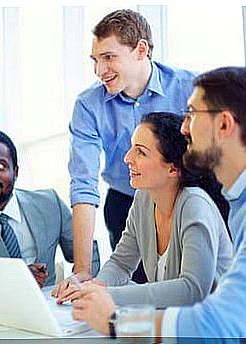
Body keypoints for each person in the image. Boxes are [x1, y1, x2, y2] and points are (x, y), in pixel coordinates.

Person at [72, 66, 246, 338]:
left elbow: (220, 321)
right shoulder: (244, 199)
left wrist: (116, 322)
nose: (184, 127)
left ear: (223, 124)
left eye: (192, 114)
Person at [67, 9, 195, 285]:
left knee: (184, 291)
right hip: (126, 205)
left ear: (141, 49)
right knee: (136, 293)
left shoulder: (190, 89)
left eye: (109, 57)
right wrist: (82, 272)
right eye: (95, 60)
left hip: (185, 198)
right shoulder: (88, 105)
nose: (99, 70)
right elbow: (83, 185)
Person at [56, 112, 232, 308]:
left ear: (173, 169)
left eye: (140, 152)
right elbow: (121, 263)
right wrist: (91, 288)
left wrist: (107, 295)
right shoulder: (144, 197)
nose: (127, 158)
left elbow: (193, 290)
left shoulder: (195, 205)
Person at [0, 129, 100, 296]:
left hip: (50, 308)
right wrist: (16, 281)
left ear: (15, 172)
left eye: (0, 166)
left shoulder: (50, 203)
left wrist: (78, 289)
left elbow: (87, 251)